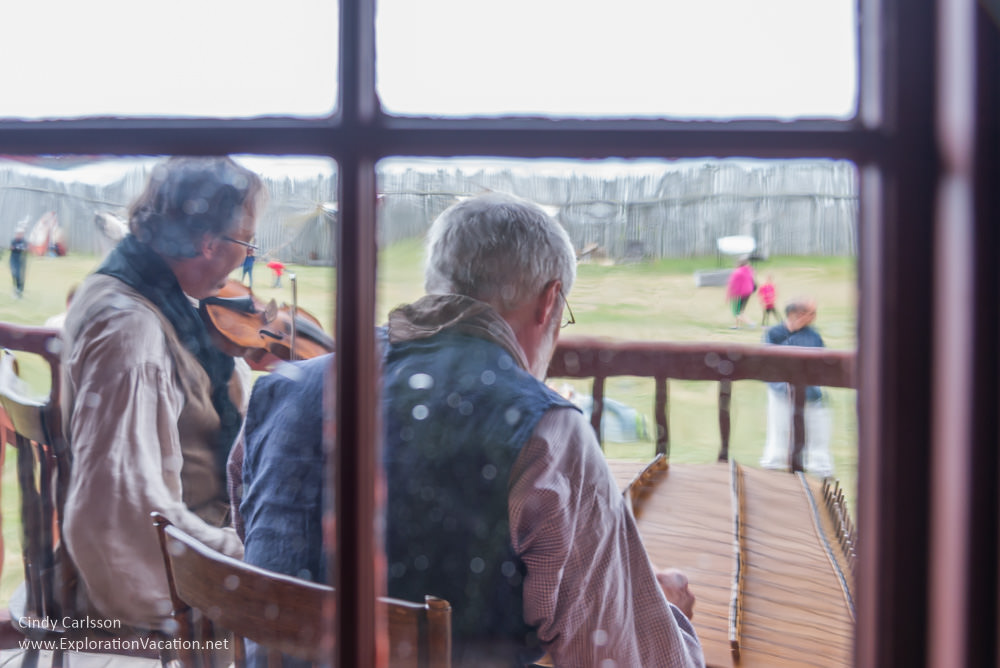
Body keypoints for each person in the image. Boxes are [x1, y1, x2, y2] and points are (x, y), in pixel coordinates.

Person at [237, 193, 704, 667]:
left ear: (434, 282)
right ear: (548, 303)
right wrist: (662, 615)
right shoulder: (546, 433)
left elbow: (258, 552)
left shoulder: (281, 392)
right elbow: (620, 658)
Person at [60, 156, 265, 631]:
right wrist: (251, 559)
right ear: (208, 243)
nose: (248, 257)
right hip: (173, 576)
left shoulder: (125, 288)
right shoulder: (131, 330)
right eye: (247, 242)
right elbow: (117, 511)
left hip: (189, 543)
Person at [759, 298, 834, 477]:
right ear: (796, 314)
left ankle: (821, 469)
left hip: (811, 392)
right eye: (811, 313)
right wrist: (783, 387)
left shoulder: (813, 335)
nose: (814, 317)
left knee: (818, 428)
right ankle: (774, 465)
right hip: (781, 392)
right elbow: (767, 364)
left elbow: (823, 361)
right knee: (779, 430)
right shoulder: (774, 334)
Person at [725, 257, 755, 328]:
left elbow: (731, 284)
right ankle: (736, 325)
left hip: (739, 294)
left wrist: (728, 295)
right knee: (740, 311)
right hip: (748, 293)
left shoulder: (737, 272)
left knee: (736, 312)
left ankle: (750, 323)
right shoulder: (750, 270)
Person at [9, 226, 28, 298]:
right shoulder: (13, 241)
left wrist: (19, 248)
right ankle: (16, 289)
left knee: (20, 276)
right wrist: (19, 248)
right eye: (17, 233)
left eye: (20, 234)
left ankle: (19, 291)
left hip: (21, 261)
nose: (19, 235)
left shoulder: (24, 241)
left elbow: (25, 249)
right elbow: (11, 248)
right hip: (13, 260)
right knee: (14, 274)